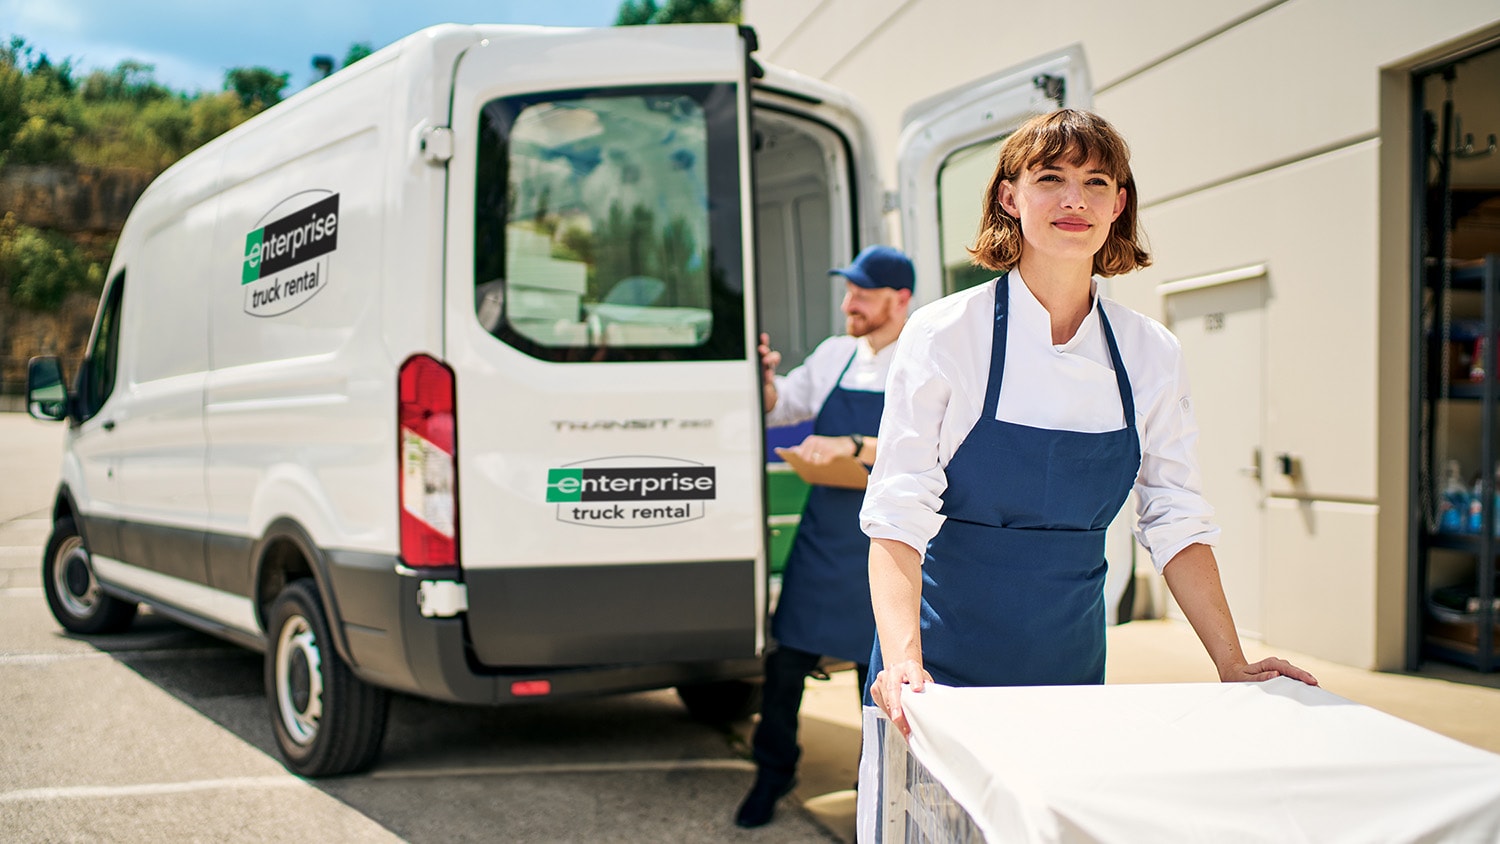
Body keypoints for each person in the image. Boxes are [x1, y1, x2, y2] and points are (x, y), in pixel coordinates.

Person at [861, 109, 1317, 741]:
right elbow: (897, 511)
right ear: (1009, 197)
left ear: (1118, 204)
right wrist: (905, 658)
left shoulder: (1150, 352)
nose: (1075, 199)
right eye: (1051, 178)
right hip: (934, 670)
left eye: (1097, 182)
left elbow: (1175, 515)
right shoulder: (945, 334)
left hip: (1069, 666)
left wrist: (1233, 663)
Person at [735, 245, 914, 828]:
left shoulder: (924, 358)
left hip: (888, 540)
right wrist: (763, 382)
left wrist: (852, 448)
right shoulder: (836, 354)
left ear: (900, 298)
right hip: (824, 532)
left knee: (878, 678)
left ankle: (876, 794)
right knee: (786, 662)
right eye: (849, 291)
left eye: (862, 293)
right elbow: (781, 406)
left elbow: (936, 453)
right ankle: (773, 769)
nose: (849, 303)